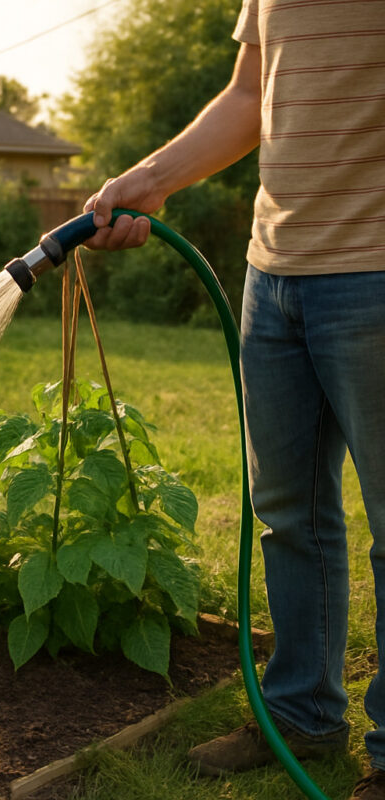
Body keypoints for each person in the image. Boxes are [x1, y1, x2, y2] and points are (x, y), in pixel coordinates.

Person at [83, 1, 385, 797]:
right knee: (288, 512)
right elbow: (253, 93)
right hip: (274, 272)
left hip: (376, 271)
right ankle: (302, 714)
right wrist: (151, 180)